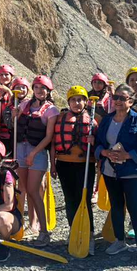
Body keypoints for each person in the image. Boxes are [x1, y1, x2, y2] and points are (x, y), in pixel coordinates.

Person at [94, 85, 137, 264]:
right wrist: (103, 153)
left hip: (132, 172)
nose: (118, 101)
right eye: (116, 97)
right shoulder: (107, 120)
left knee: (135, 207)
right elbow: (99, 142)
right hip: (110, 170)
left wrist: (127, 155)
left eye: (122, 98)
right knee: (116, 205)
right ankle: (119, 240)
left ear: (131, 101)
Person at [50, 86, 97, 255]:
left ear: (86, 102)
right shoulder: (61, 118)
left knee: (84, 200)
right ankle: (73, 230)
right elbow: (54, 144)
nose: (78, 103)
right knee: (70, 200)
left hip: (85, 165)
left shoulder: (92, 121)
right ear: (69, 102)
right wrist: (53, 165)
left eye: (81, 100)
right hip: (64, 164)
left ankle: (89, 234)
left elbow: (99, 147)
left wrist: (94, 139)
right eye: (74, 100)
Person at [15, 75, 60, 247]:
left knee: (34, 191)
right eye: (37, 87)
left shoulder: (51, 110)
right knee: (22, 189)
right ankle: (21, 225)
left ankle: (44, 231)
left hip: (38, 153)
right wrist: (13, 115)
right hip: (21, 149)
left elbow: (49, 137)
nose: (40, 91)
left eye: (44, 88)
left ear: (48, 91)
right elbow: (12, 125)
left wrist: (33, 153)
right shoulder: (24, 105)